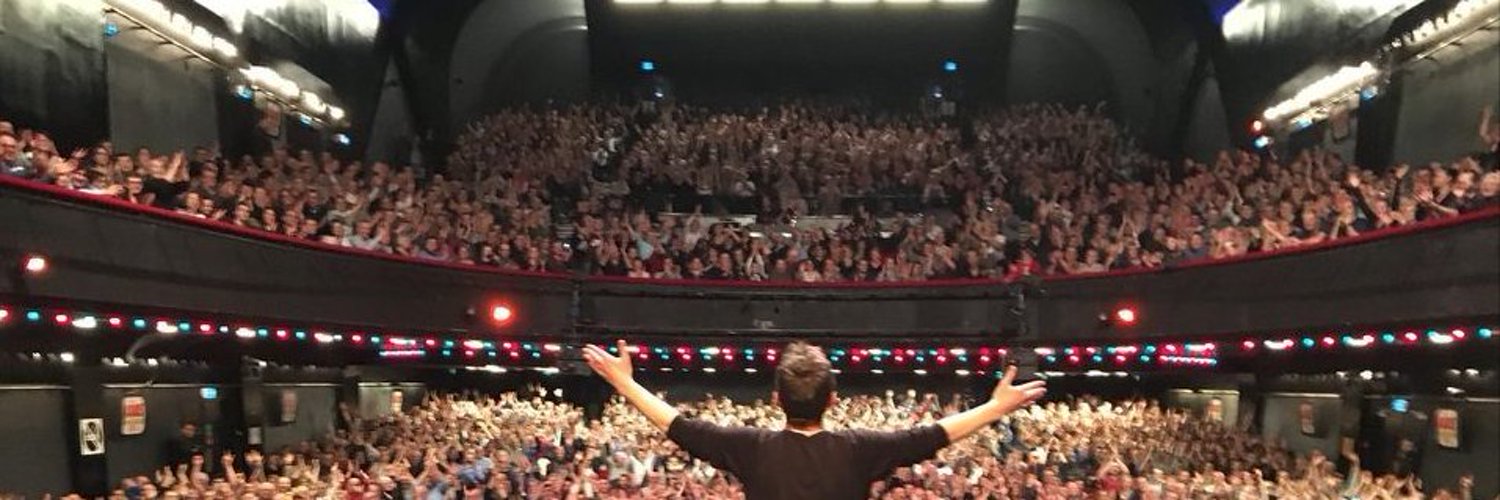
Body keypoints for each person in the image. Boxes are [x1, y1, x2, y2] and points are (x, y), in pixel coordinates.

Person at [582, 340, 1047, 499]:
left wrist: (624, 383)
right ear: (833, 400)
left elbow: (680, 426)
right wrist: (995, 407)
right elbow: (931, 436)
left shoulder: (752, 448)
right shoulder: (859, 450)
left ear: (776, 399)